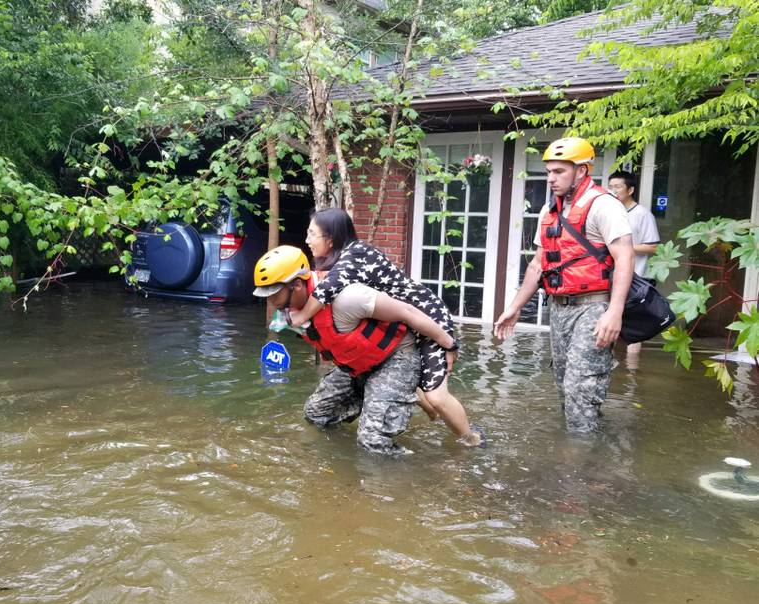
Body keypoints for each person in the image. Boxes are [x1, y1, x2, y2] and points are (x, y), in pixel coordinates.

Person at [253, 245, 484, 454]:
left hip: (397, 357)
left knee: (372, 440)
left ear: (297, 283)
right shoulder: (292, 313)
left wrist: (450, 344)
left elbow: (409, 313)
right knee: (316, 414)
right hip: (359, 366)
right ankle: (345, 450)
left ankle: (417, 470)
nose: (270, 300)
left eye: (274, 293)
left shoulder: (347, 298)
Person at [493, 137, 635, 432]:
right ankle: (578, 454)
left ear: (581, 170)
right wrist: (515, 308)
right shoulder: (550, 212)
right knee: (563, 386)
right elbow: (537, 264)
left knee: (581, 388)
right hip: (559, 308)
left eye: (559, 171)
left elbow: (625, 258)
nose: (551, 178)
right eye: (548, 172)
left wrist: (614, 312)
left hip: (594, 306)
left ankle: (582, 465)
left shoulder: (604, 206)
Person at [607, 170, 661, 358]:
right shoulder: (610, 213)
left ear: (630, 190)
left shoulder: (642, 215)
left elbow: (653, 247)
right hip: (610, 276)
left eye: (617, 187)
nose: (613, 191)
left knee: (633, 325)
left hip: (637, 277)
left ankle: (632, 371)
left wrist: (625, 247)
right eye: (610, 186)